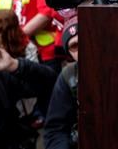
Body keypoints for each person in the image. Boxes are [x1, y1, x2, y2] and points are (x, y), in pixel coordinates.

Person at [44, 16, 78, 149]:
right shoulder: (68, 76)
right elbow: (54, 130)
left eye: (85, 40)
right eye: (74, 46)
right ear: (69, 53)